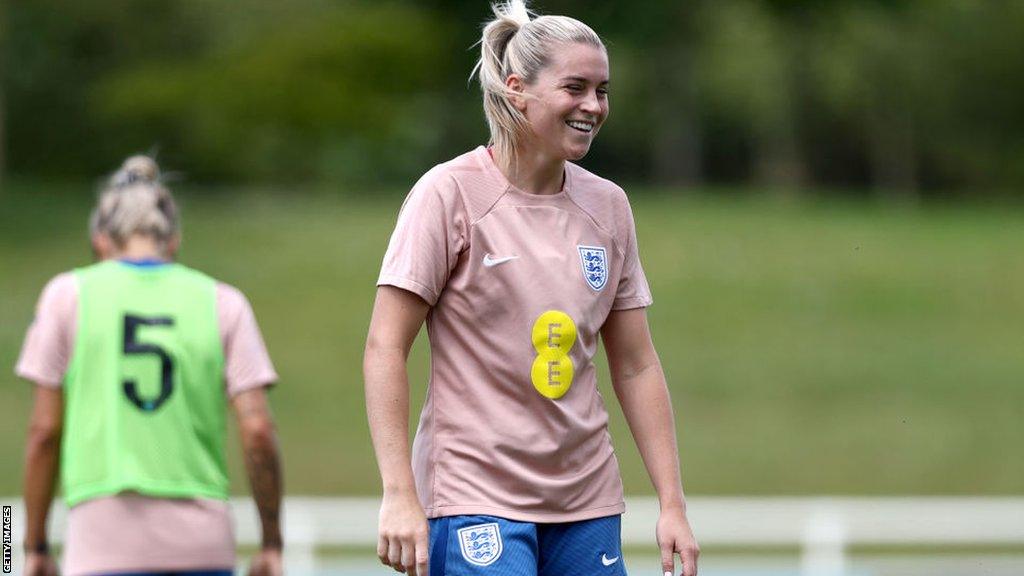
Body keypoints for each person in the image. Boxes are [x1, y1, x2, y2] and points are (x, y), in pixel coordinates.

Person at [364, 2, 699, 575]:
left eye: (603, 90)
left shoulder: (609, 206)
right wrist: (399, 492)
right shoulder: (449, 194)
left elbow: (637, 364)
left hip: (586, 500)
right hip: (474, 497)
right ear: (517, 90)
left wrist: (672, 503)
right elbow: (384, 347)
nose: (593, 106)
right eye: (576, 88)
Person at [17, 156, 284, 576]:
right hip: (203, 543)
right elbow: (258, 431)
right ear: (173, 239)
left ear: (101, 239)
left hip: (101, 542)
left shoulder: (66, 296)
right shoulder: (223, 302)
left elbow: (44, 432)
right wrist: (272, 543)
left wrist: (30, 546)